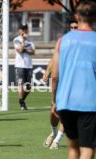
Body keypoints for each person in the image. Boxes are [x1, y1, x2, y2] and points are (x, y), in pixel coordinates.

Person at [52, 1, 96, 159]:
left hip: (66, 101)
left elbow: (54, 76)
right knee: (87, 150)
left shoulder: (63, 41)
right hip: (89, 103)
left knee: (72, 147)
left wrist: (54, 101)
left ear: (77, 17)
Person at [43, 19, 78, 150]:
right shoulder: (64, 42)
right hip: (61, 83)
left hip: (75, 83)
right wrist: (47, 72)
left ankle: (57, 140)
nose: (74, 29)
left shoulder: (84, 44)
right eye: (72, 27)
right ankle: (53, 132)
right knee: (54, 112)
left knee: (65, 112)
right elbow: (54, 59)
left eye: (76, 27)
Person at [13, 23, 35, 110]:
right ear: (19, 30)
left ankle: (21, 100)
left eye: (25, 29)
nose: (24, 30)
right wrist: (23, 41)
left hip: (29, 65)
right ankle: (22, 104)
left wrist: (25, 49)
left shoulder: (31, 40)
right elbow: (20, 50)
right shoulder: (16, 40)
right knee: (20, 84)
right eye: (22, 29)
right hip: (20, 65)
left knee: (29, 87)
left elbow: (33, 52)